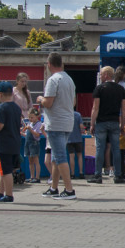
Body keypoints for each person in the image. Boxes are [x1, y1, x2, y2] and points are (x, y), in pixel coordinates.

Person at [37, 52, 78, 200]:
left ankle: (69, 190)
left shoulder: (53, 80)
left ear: (49, 64)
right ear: (62, 63)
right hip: (67, 121)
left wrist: (40, 99)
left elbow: (48, 103)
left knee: (60, 157)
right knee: (55, 157)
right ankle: (53, 188)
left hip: (55, 123)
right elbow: (73, 102)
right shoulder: (69, 80)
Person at [0, 81, 22, 203]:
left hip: (4, 144)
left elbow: (0, 124)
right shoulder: (17, 108)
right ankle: (0, 192)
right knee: (4, 169)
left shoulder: (2, 107)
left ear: (0, 94)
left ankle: (9, 195)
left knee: (6, 171)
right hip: (15, 142)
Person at [89, 66, 125, 184]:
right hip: (115, 121)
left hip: (101, 122)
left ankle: (97, 175)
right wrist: (122, 125)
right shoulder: (120, 89)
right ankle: (118, 175)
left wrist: (92, 124)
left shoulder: (99, 89)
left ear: (106, 75)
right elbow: (123, 110)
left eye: (100, 74)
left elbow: (95, 108)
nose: (100, 76)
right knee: (116, 149)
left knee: (100, 148)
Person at [22, 108, 44, 183]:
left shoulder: (39, 124)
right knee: (30, 161)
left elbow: (37, 135)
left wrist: (30, 129)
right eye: (29, 117)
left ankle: (37, 177)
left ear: (37, 116)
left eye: (32, 117)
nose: (30, 119)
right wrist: (22, 133)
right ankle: (32, 177)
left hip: (34, 143)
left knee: (36, 161)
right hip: (28, 143)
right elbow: (27, 135)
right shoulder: (30, 124)